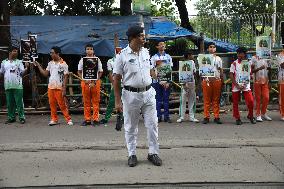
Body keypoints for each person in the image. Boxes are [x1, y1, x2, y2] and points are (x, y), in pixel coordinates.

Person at [113, 25, 162, 167]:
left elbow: (151, 70)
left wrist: (156, 73)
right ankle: (132, 154)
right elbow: (116, 79)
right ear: (133, 38)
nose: (144, 38)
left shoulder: (146, 52)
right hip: (130, 96)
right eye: (141, 36)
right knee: (130, 126)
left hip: (148, 93)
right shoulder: (122, 56)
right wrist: (117, 101)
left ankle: (153, 152)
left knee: (153, 124)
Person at [34, 46, 73, 126]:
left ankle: (68, 119)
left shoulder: (63, 64)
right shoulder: (50, 63)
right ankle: (54, 119)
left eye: (52, 53)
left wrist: (64, 88)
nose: (51, 54)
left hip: (59, 87)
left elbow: (66, 77)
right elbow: (45, 74)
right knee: (52, 104)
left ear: (57, 53)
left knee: (62, 105)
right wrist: (38, 66)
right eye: (50, 53)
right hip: (51, 87)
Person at [0, 46, 29, 124]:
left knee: (19, 103)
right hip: (8, 86)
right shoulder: (4, 62)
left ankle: (22, 117)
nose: (16, 53)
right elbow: (1, 73)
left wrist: (26, 68)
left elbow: (22, 73)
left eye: (17, 51)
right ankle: (11, 117)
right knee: (9, 103)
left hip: (18, 86)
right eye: (14, 51)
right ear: (10, 52)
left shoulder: (19, 62)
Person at [78, 44, 103, 126]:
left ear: (93, 51)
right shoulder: (82, 60)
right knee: (86, 102)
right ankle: (87, 119)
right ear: (85, 50)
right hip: (85, 83)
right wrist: (84, 80)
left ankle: (96, 119)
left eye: (91, 49)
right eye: (88, 49)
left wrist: (94, 82)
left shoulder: (97, 60)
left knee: (96, 102)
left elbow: (100, 72)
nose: (89, 50)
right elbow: (79, 71)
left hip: (95, 83)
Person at [229, 47, 256, 125]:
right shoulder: (234, 63)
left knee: (250, 101)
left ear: (244, 54)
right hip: (236, 86)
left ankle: (250, 116)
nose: (239, 55)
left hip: (246, 85)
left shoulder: (249, 63)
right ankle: (237, 118)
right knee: (235, 102)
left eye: (241, 53)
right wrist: (236, 85)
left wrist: (253, 72)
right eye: (238, 53)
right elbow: (231, 75)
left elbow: (250, 73)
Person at [100, 47, 123, 130]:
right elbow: (109, 73)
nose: (119, 52)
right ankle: (106, 118)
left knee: (125, 101)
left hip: (125, 83)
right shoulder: (110, 61)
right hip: (116, 83)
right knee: (112, 101)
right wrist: (113, 83)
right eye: (117, 51)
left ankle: (124, 117)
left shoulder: (125, 60)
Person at [201, 42, 224, 124]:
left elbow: (221, 70)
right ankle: (206, 117)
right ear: (208, 49)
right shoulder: (203, 58)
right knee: (207, 99)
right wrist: (203, 78)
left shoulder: (218, 59)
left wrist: (222, 79)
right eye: (210, 47)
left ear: (215, 49)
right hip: (206, 81)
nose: (212, 48)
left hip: (216, 80)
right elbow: (201, 70)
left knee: (216, 99)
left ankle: (216, 116)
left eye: (213, 47)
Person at [151, 41, 173, 123]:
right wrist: (158, 80)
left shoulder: (168, 57)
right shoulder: (154, 57)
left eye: (163, 44)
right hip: (156, 82)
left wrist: (167, 81)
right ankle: (158, 116)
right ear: (157, 47)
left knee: (166, 99)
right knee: (157, 99)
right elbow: (152, 70)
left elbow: (170, 70)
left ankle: (167, 116)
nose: (162, 45)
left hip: (166, 81)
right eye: (160, 44)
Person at [177, 51, 199, 123]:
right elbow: (180, 74)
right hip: (184, 84)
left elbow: (194, 72)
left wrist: (196, 83)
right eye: (192, 55)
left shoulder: (192, 62)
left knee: (192, 100)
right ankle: (181, 117)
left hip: (192, 83)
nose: (193, 56)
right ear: (189, 55)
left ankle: (192, 117)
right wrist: (183, 84)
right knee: (183, 101)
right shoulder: (181, 63)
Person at [251, 54, 272, 122]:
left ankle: (263, 113)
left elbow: (270, 70)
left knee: (266, 97)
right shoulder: (254, 58)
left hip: (265, 81)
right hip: (257, 81)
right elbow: (252, 70)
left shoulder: (267, 57)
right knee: (258, 99)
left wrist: (270, 81)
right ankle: (258, 114)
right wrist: (259, 68)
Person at [277, 49, 284, 121]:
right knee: (282, 97)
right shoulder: (280, 55)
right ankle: (283, 114)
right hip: (282, 80)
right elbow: (282, 65)